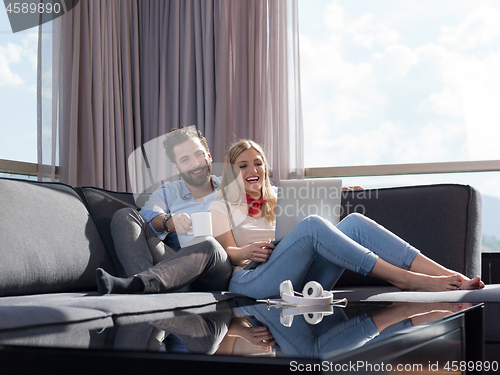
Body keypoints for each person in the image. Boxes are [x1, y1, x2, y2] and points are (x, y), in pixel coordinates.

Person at [208, 139, 485, 300]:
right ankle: (406, 279)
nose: (252, 169)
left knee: (354, 222)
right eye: (242, 166)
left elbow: (309, 215)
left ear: (265, 168)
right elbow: (227, 253)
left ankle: (450, 275)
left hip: (302, 282)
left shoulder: (281, 197)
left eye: (257, 162)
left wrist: (336, 192)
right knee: (313, 225)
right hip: (251, 280)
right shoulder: (220, 205)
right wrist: (247, 251)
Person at [96, 127, 232, 294]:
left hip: (216, 267)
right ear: (177, 168)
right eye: (185, 160)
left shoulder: (231, 189)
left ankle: (142, 285)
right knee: (125, 216)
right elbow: (146, 216)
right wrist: (169, 222)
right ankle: (144, 284)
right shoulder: (169, 191)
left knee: (207, 243)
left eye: (198, 154)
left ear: (208, 156)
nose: (196, 163)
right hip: (175, 265)